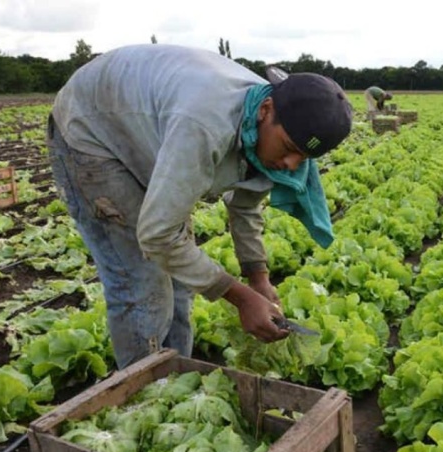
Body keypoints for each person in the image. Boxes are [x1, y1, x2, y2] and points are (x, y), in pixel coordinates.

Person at [46, 44, 353, 369]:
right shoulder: (206, 124)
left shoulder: (268, 130)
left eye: (303, 158)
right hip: (91, 128)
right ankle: (140, 392)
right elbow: (157, 236)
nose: (292, 164)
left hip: (150, 127)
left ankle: (176, 373)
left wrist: (258, 278)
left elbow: (246, 205)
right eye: (289, 148)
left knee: (179, 278)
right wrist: (239, 297)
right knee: (142, 281)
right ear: (265, 110)